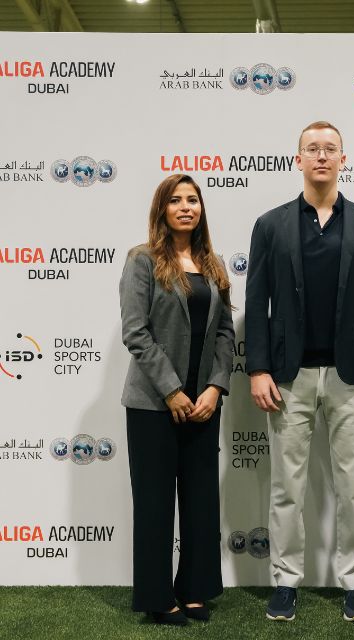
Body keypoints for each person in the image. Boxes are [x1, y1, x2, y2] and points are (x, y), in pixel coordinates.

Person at [245, 121, 354, 622]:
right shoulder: (270, 225)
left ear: (343, 158)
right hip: (288, 377)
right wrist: (258, 369)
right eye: (311, 149)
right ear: (297, 159)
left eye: (329, 149)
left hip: (351, 375)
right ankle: (285, 581)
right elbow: (256, 300)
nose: (320, 156)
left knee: (353, 484)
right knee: (286, 486)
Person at [119, 174, 234, 625]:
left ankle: (194, 590)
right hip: (153, 404)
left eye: (193, 200)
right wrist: (171, 389)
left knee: (202, 501)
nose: (186, 207)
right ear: (162, 209)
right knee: (154, 502)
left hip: (204, 403)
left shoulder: (214, 264)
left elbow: (225, 333)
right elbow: (136, 332)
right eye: (176, 201)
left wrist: (214, 387)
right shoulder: (142, 261)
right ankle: (156, 597)